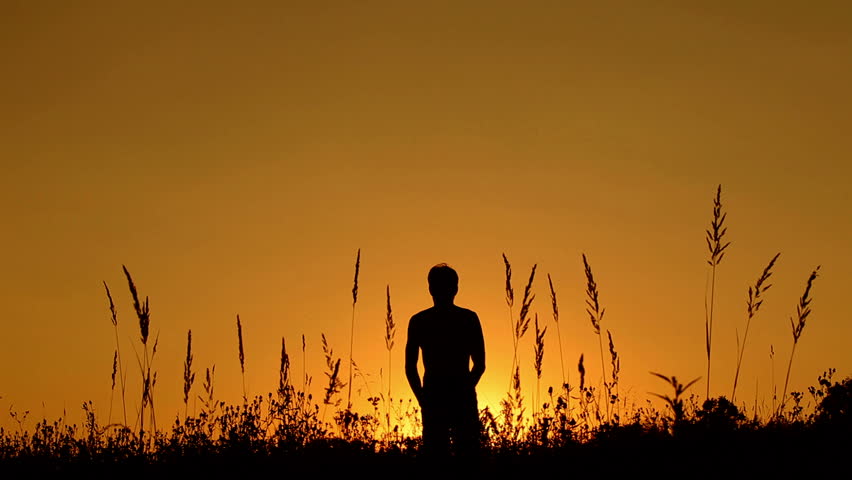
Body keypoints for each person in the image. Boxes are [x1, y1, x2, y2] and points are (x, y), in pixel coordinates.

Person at [405, 263, 486, 461]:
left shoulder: (419, 321)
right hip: (454, 395)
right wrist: (464, 389)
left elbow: (410, 367)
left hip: (435, 395)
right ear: (456, 288)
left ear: (430, 288)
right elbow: (480, 364)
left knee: (437, 456)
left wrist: (422, 398)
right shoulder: (468, 318)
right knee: (466, 456)